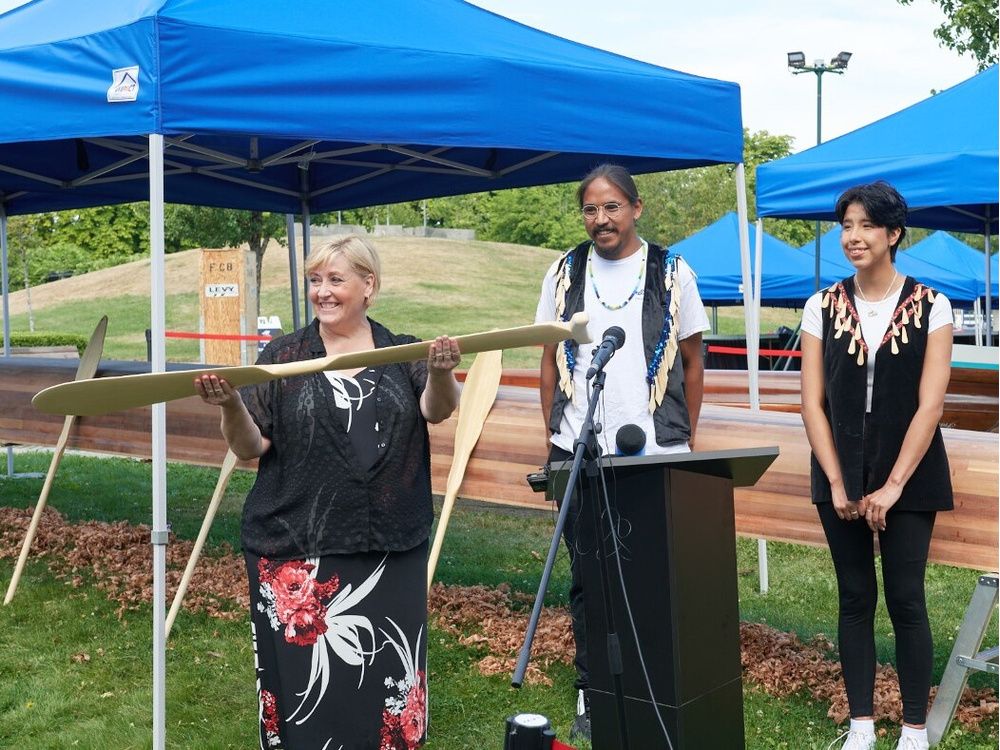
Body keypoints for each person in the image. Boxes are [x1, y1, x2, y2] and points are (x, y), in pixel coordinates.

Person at [194, 234, 460, 750]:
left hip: (389, 546)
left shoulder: (400, 350)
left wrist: (442, 372)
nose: (323, 292)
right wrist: (230, 405)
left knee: (386, 682)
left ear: (369, 286)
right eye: (315, 281)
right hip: (297, 550)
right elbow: (251, 446)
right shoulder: (283, 357)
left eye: (336, 279)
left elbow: (436, 408)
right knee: (306, 694)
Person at [534, 163, 709, 741]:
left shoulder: (672, 271)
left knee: (651, 572)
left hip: (653, 444)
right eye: (590, 209)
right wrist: (555, 435)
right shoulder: (564, 272)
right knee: (589, 578)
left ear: (636, 208)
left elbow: (692, 361)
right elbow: (547, 359)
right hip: (580, 446)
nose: (600, 219)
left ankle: (652, 682)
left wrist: (685, 436)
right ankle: (593, 690)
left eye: (612, 207)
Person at [800, 182, 953, 750]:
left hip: (909, 474)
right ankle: (860, 722)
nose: (853, 236)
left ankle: (915, 727)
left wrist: (891, 486)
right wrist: (838, 480)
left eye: (866, 225)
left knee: (907, 599)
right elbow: (810, 402)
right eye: (846, 226)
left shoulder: (932, 305)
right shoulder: (823, 305)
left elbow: (930, 404)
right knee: (855, 596)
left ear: (893, 234)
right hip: (839, 468)